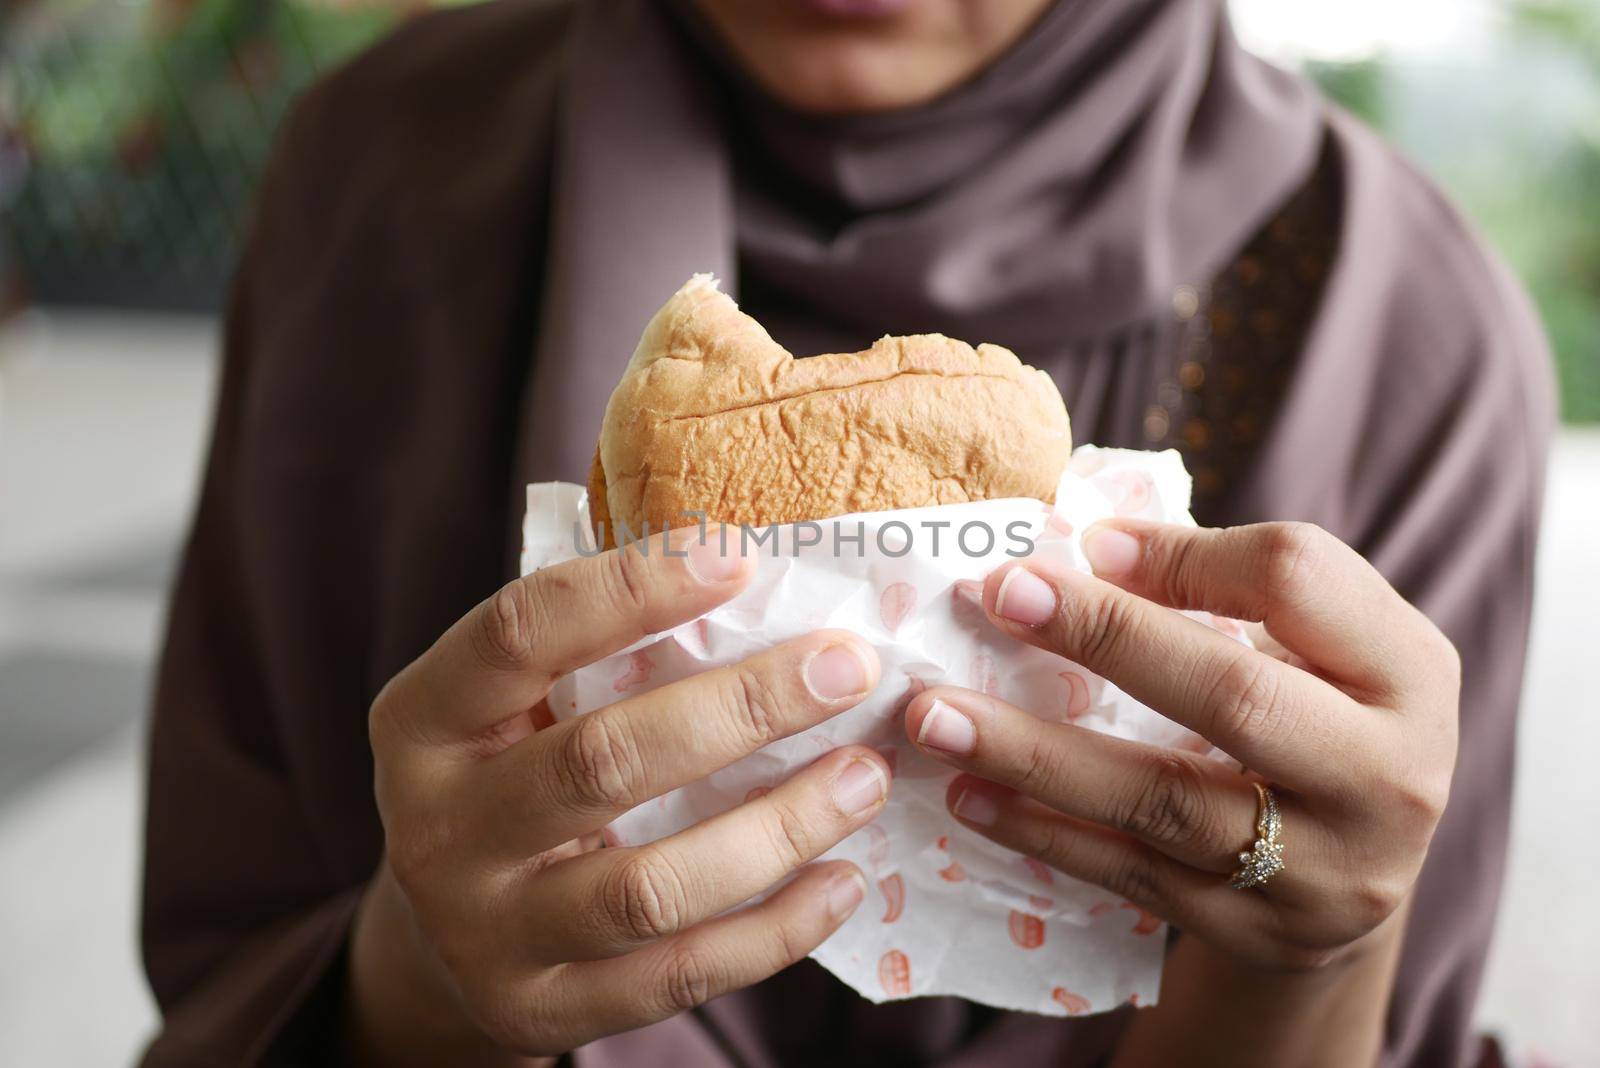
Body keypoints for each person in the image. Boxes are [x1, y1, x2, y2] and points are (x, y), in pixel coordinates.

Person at [138, 1, 1556, 1065]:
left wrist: (1309, 960)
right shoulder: (385, 188)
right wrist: (421, 987)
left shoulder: (1400, 334)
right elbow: (226, 967)